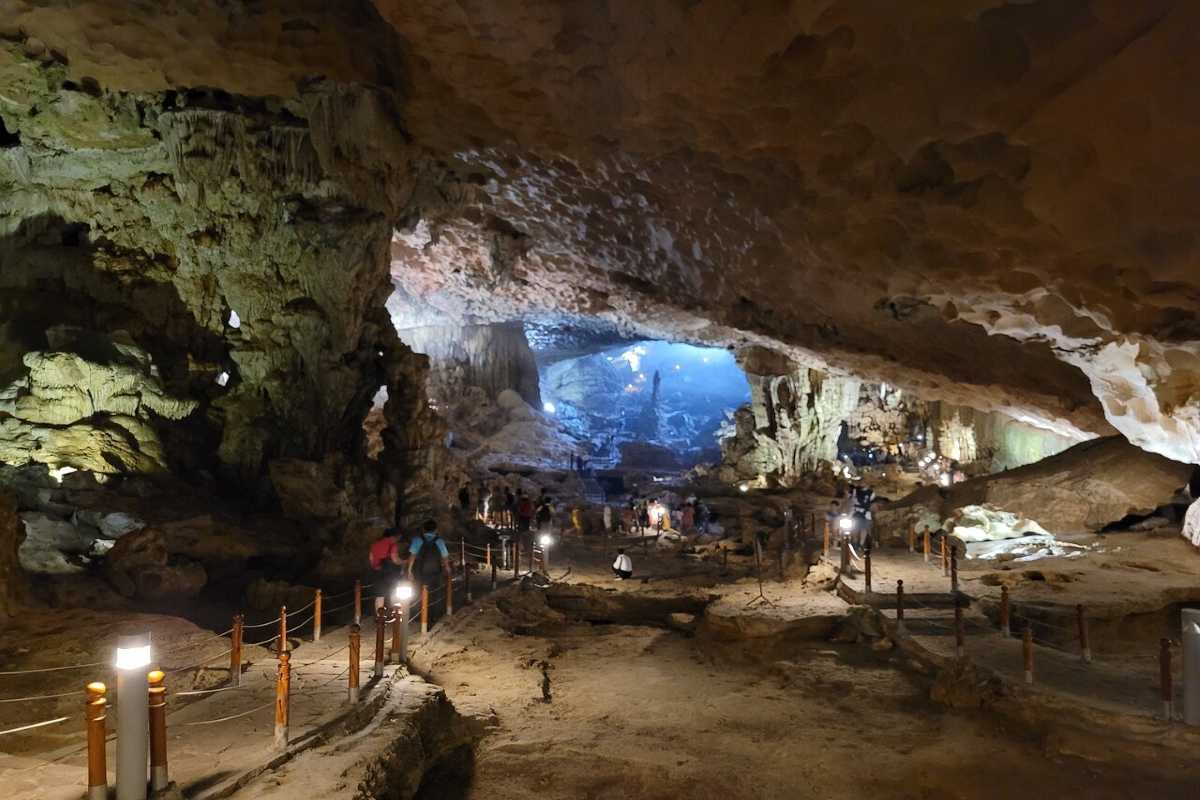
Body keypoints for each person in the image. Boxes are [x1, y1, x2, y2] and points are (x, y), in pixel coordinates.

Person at [406, 519, 451, 589]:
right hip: (435, 570)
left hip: (419, 571)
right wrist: (447, 567)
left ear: (423, 529)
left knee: (419, 591)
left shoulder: (417, 540)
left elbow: (412, 556)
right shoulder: (439, 541)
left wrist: (409, 571)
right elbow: (445, 556)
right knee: (435, 592)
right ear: (436, 530)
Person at [368, 527, 405, 609]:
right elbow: (395, 559)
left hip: (377, 572)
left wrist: (375, 567)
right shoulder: (392, 544)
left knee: (379, 596)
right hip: (390, 573)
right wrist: (403, 562)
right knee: (394, 594)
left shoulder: (375, 544)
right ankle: (396, 616)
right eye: (398, 537)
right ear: (393, 536)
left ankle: (379, 617)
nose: (398, 540)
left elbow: (371, 558)